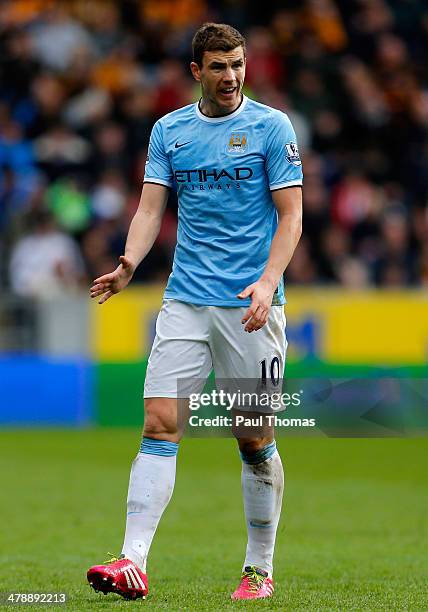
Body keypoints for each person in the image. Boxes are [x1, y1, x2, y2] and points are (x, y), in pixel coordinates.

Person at [87, 22, 303, 601]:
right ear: (196, 71)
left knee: (253, 437)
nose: (230, 76)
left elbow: (290, 217)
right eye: (218, 66)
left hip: (250, 305)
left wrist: (267, 283)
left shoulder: (270, 126)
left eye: (237, 64)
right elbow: (150, 207)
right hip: (185, 298)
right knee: (159, 422)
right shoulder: (170, 131)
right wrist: (130, 261)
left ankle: (259, 567)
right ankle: (132, 560)